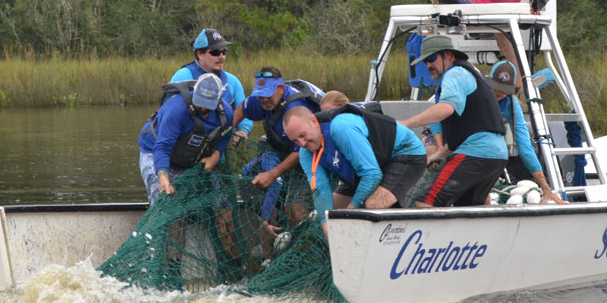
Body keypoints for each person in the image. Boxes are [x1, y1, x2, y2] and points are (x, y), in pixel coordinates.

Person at [399, 35, 507, 207]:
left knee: (425, 202)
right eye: (425, 61)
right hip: (497, 156)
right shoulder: (471, 72)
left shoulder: (454, 74)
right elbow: (470, 130)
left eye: (432, 59)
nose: (428, 65)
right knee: (470, 209)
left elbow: (445, 108)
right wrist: (437, 155)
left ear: (448, 55)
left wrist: (406, 124)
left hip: (475, 154)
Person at [283, 105, 427, 229]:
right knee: (332, 212)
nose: (302, 143)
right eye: (295, 140)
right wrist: (326, 225)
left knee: (371, 206)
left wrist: (351, 210)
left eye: (303, 135)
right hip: (364, 169)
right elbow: (320, 191)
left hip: (405, 154)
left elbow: (372, 174)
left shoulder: (340, 127)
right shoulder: (305, 153)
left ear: (314, 121)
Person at [233, 67, 324, 243]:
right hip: (286, 150)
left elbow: (302, 150)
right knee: (247, 177)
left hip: (313, 155)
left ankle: (309, 249)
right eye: (260, 95)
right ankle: (270, 229)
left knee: (295, 209)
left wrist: (272, 174)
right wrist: (226, 133)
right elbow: (241, 110)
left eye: (268, 94)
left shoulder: (295, 108)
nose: (264, 99)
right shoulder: (261, 100)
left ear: (281, 88)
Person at [137, 73, 233, 204]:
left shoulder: (226, 113)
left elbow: (226, 134)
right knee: (163, 200)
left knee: (216, 202)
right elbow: (163, 148)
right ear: (195, 93)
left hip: (187, 156)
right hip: (154, 151)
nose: (203, 108)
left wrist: (215, 155)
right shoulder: (176, 110)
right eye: (200, 102)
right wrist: (163, 178)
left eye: (208, 104)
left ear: (219, 99)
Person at [489, 60, 565, 204]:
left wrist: (545, 188)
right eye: (496, 87)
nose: (500, 92)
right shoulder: (475, 94)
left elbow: (525, 147)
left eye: (504, 89)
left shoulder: (511, 104)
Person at [171, 28, 250, 142]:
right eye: (215, 52)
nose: (221, 56)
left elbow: (244, 111)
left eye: (224, 52)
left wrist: (243, 130)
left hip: (220, 147)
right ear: (200, 54)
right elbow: (169, 114)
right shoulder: (182, 77)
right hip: (187, 147)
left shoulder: (233, 81)